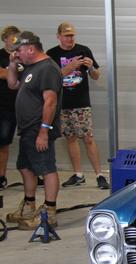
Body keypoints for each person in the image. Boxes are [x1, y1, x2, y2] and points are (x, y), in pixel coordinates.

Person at [5, 31, 62, 229]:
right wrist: (13, 64)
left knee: (46, 168)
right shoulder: (31, 67)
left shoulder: (47, 68)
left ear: (31, 48)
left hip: (39, 128)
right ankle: (29, 204)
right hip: (27, 129)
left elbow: (51, 102)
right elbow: (13, 84)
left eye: (19, 50)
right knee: (25, 166)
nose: (17, 54)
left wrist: (44, 131)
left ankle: (49, 212)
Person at [46, 22, 108, 189]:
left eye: (72, 35)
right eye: (66, 35)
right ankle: (78, 174)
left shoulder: (83, 49)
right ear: (58, 36)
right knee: (70, 138)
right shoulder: (51, 54)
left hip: (81, 102)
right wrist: (69, 67)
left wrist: (90, 68)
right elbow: (50, 78)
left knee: (88, 138)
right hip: (62, 103)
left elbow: (96, 76)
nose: (70, 38)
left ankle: (99, 175)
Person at [0, 25, 21, 190]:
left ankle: (34, 175)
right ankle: (2, 176)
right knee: (3, 142)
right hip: (4, 105)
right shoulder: (1, 55)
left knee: (30, 141)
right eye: (12, 37)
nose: (15, 40)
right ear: (5, 38)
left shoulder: (23, 55)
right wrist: (14, 72)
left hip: (24, 105)